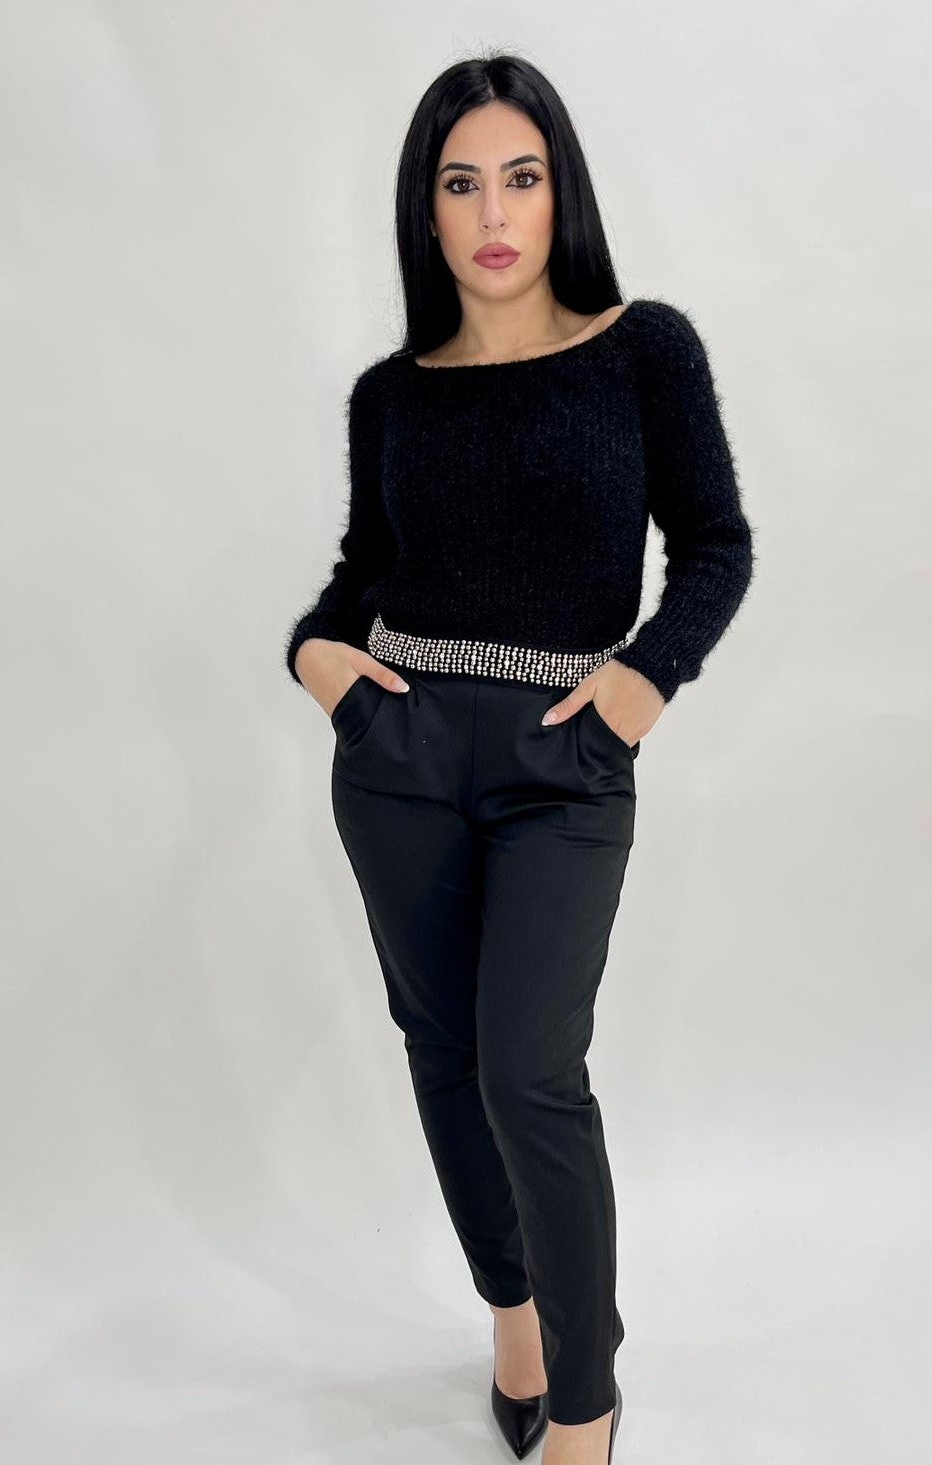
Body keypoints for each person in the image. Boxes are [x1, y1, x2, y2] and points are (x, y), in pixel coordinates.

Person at [285, 53, 756, 1465]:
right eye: (462, 182)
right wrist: (318, 660)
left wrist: (640, 686)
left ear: (563, 194)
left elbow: (715, 545)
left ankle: (587, 1408)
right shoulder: (390, 395)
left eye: (522, 176)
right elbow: (363, 569)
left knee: (529, 1071)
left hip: (566, 757)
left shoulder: (643, 350)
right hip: (401, 754)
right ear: (424, 211)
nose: (494, 212)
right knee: (443, 1054)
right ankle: (516, 1323)